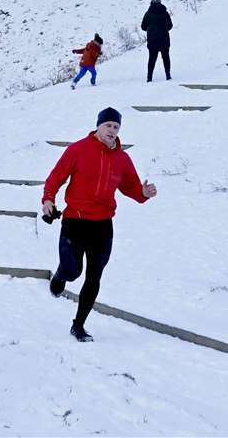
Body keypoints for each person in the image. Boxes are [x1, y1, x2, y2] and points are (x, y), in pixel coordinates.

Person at [42, 107, 157, 342]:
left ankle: (79, 325)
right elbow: (56, 177)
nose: (112, 131)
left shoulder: (122, 158)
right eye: (109, 126)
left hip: (103, 226)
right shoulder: (78, 150)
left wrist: (143, 193)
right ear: (98, 126)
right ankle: (61, 276)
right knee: (74, 271)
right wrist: (48, 199)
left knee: (94, 277)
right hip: (75, 220)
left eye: (116, 127)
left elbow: (131, 187)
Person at [140, 0, 173, 82]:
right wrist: (164, 30)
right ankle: (168, 75)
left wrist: (150, 30)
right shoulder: (165, 13)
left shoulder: (148, 14)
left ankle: (149, 77)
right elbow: (170, 25)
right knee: (166, 57)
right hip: (164, 39)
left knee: (152, 59)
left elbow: (143, 27)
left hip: (152, 40)